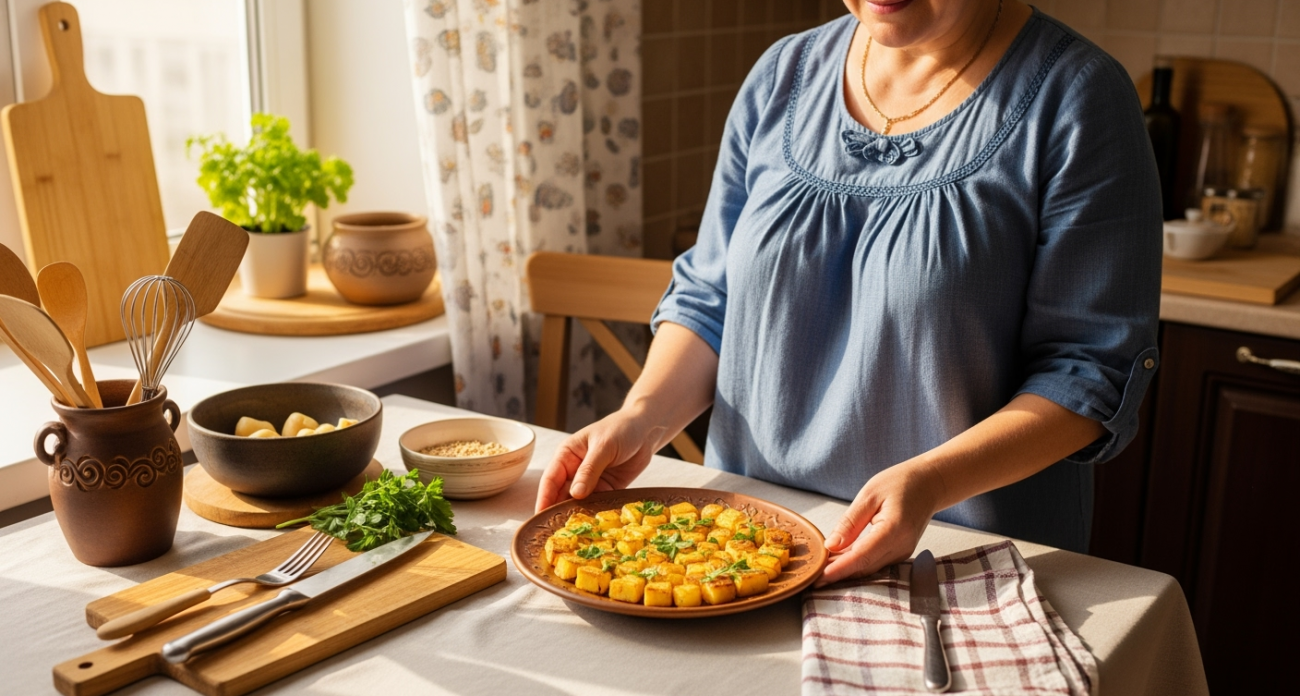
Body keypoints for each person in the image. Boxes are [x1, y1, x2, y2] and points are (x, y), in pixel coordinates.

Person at [534, 0, 1161, 587]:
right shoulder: (784, 73)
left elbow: (1087, 372)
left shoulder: (1078, 97)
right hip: (740, 548)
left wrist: (930, 482)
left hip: (959, 558)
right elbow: (712, 298)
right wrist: (644, 415)